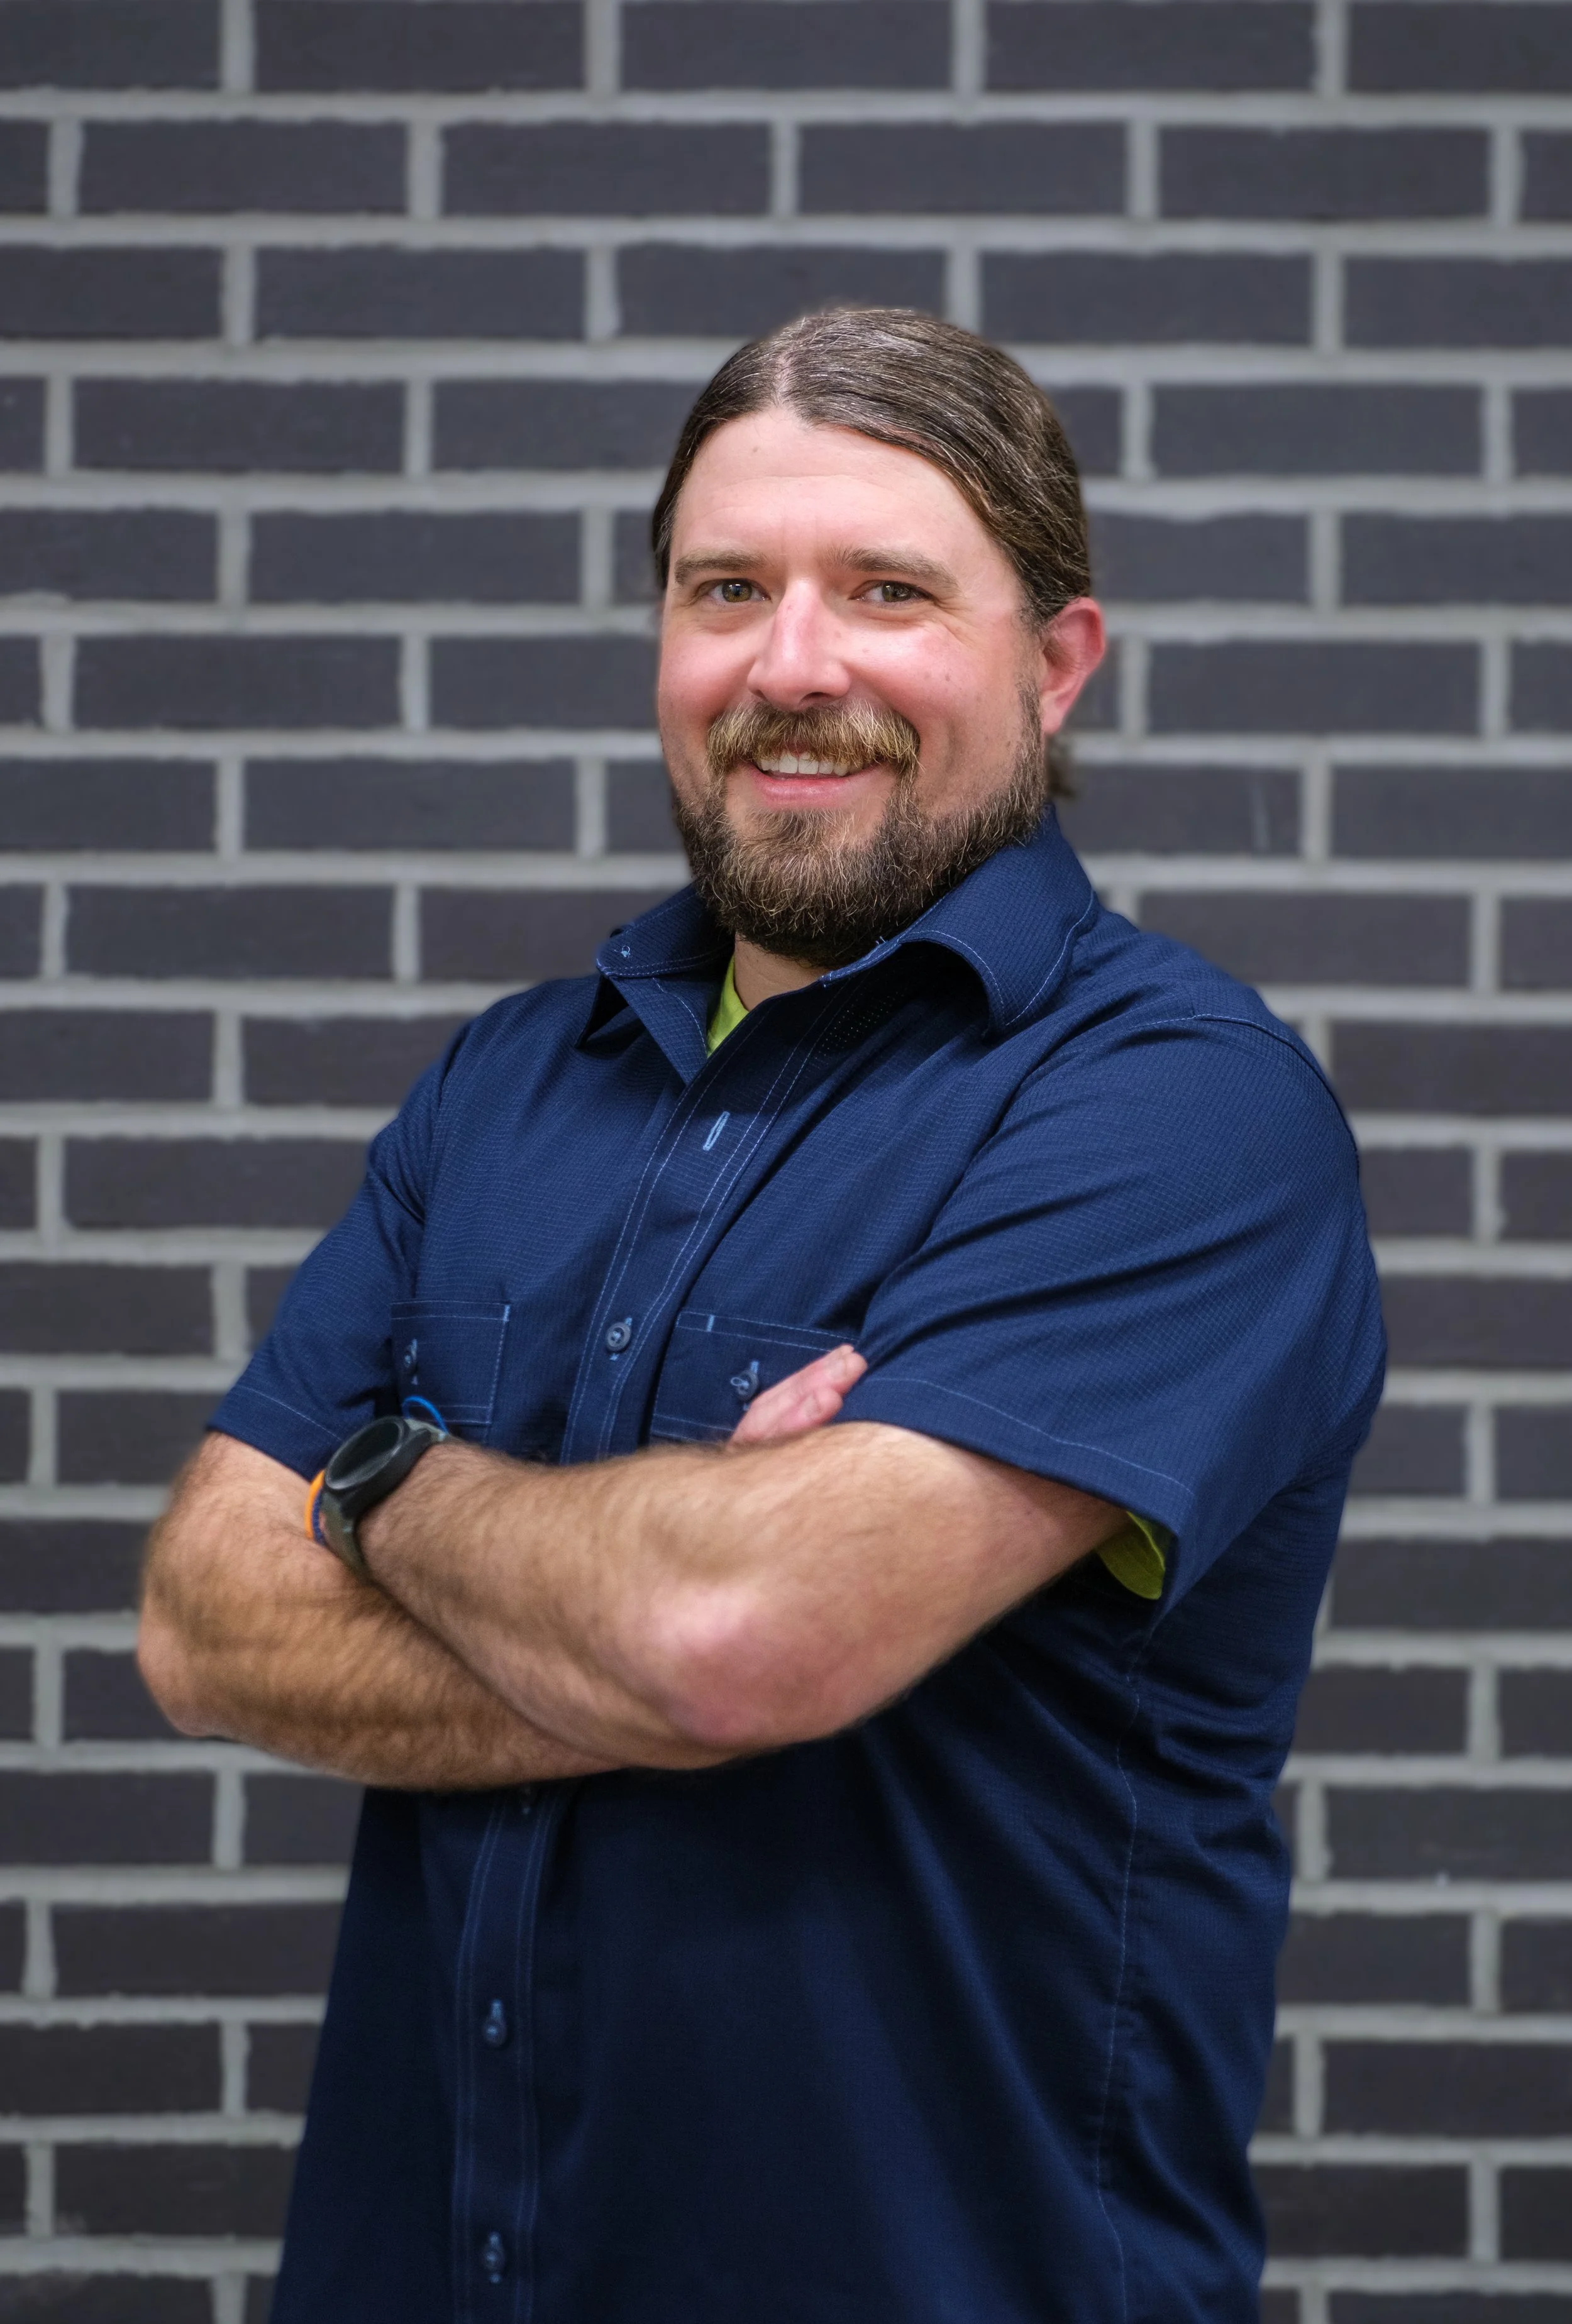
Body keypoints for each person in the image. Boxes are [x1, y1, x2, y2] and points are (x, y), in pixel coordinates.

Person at [140, 307, 1384, 2324]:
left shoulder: (1174, 1109)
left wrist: (373, 1486)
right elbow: (200, 1621)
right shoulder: (506, 1086)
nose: (792, 667)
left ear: (1055, 660)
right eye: (727, 590)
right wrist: (647, 1608)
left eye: (887, 591)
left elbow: (732, 1637)